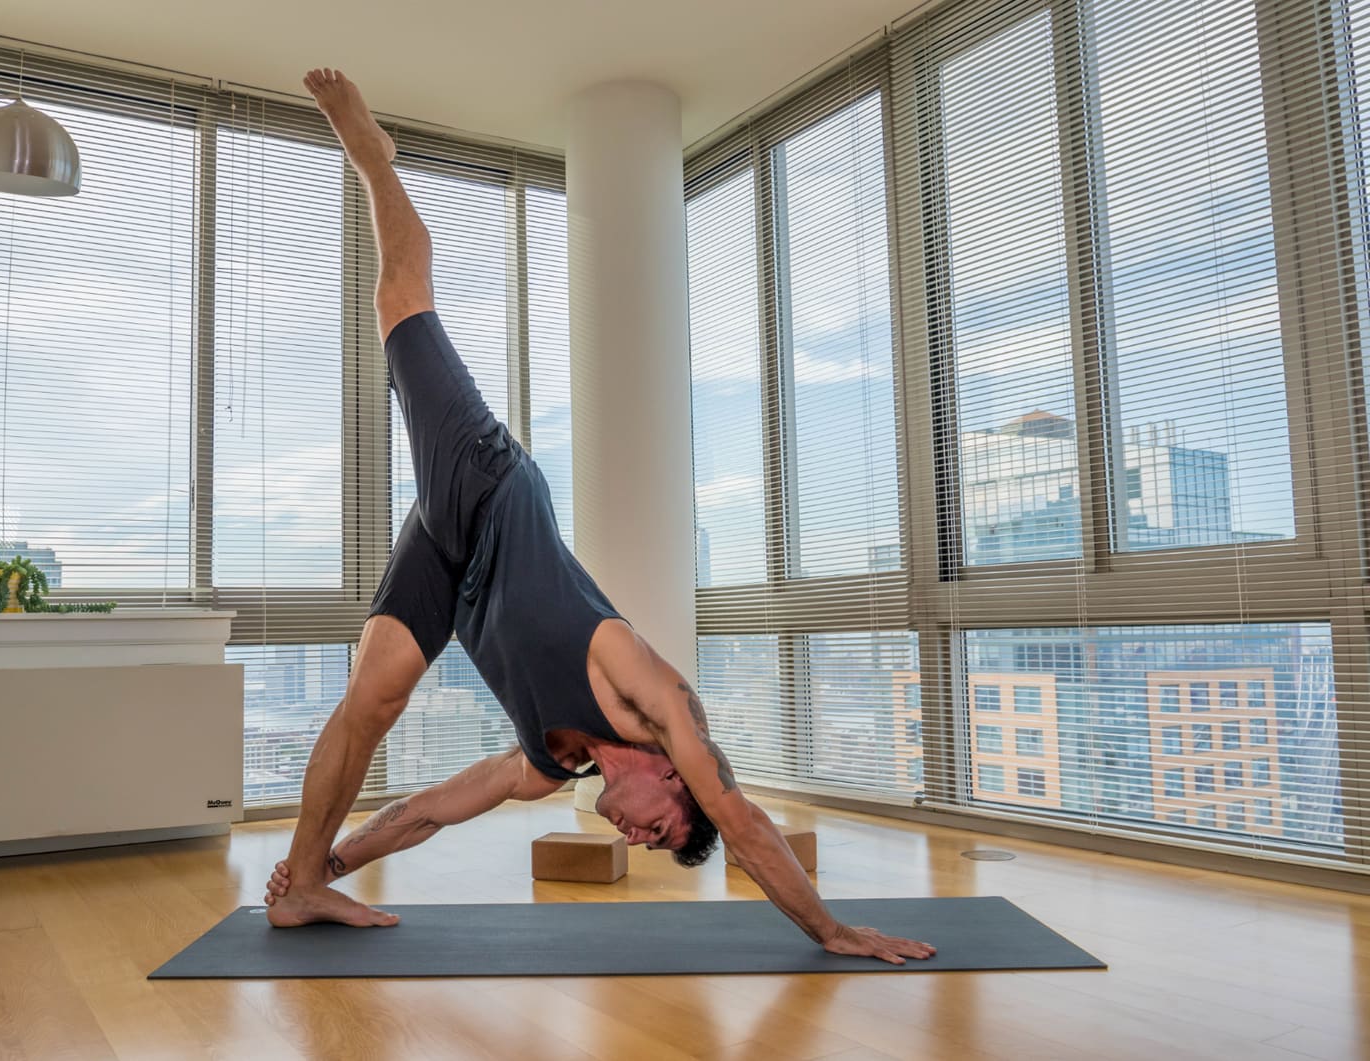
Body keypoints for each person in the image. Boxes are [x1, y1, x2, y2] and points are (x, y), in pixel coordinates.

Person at [261, 69, 936, 965]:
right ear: (672, 777)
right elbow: (743, 822)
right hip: (493, 488)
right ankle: (373, 157)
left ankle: (306, 879)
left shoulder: (547, 769)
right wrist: (832, 929)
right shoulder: (651, 701)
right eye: (663, 831)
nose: (641, 841)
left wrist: (347, 856)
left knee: (373, 695)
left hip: (445, 555)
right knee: (400, 302)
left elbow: (424, 810)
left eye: (649, 848)